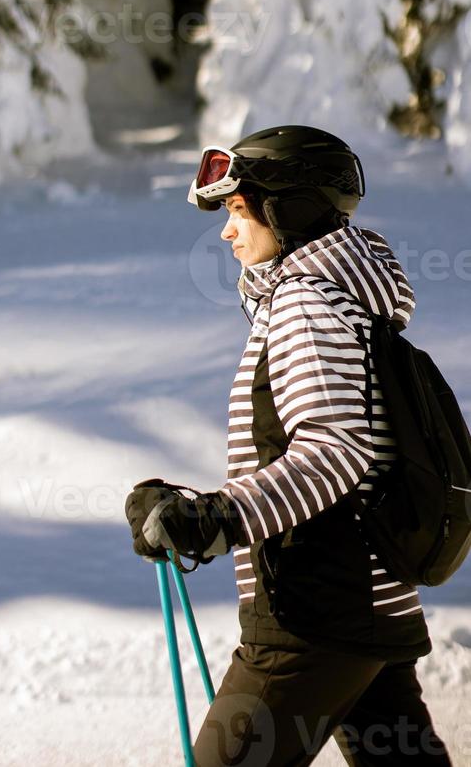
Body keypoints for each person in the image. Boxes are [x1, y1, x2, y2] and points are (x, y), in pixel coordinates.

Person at [125, 125, 452, 766]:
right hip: (366, 604)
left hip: (314, 611)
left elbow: (334, 450)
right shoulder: (343, 303)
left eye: (239, 211)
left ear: (289, 209)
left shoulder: (308, 303)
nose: (226, 231)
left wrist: (217, 518)